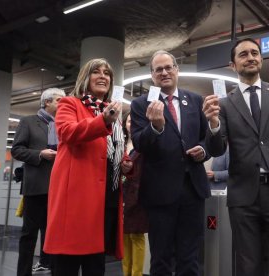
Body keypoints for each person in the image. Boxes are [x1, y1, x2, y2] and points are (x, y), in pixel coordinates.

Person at [203, 38, 269, 276]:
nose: (250, 57)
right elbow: (218, 150)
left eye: (255, 53)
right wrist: (213, 124)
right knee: (247, 266)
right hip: (243, 196)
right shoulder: (225, 103)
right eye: (243, 54)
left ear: (261, 59)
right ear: (233, 65)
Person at [44, 58, 130, 276]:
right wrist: (103, 120)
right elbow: (67, 132)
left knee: (96, 265)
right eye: (96, 72)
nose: (103, 76)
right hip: (77, 200)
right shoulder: (70, 104)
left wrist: (126, 164)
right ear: (85, 77)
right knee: (68, 265)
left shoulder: (112, 114)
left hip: (106, 199)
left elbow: (113, 149)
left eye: (107, 73)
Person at [130, 50, 210, 276]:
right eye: (158, 69)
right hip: (159, 192)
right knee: (161, 258)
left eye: (168, 67)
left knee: (190, 257)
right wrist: (155, 127)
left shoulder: (194, 100)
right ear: (152, 75)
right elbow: (139, 143)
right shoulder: (140, 104)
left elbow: (207, 138)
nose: (164, 72)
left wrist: (203, 149)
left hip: (192, 190)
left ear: (177, 70)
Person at [11, 87, 66, 276]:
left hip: (59, 189)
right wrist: (39, 154)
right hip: (35, 188)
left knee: (55, 236)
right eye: (59, 100)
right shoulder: (28, 122)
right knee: (29, 235)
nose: (63, 104)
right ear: (47, 102)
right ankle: (23, 272)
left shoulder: (64, 125)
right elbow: (17, 150)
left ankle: (54, 269)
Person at [121, 111, 149, 276]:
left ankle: (136, 273)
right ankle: (126, 273)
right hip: (121, 193)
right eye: (129, 121)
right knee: (124, 236)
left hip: (139, 194)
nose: (132, 124)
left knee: (136, 235)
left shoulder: (144, 144)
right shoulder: (121, 143)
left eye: (135, 121)